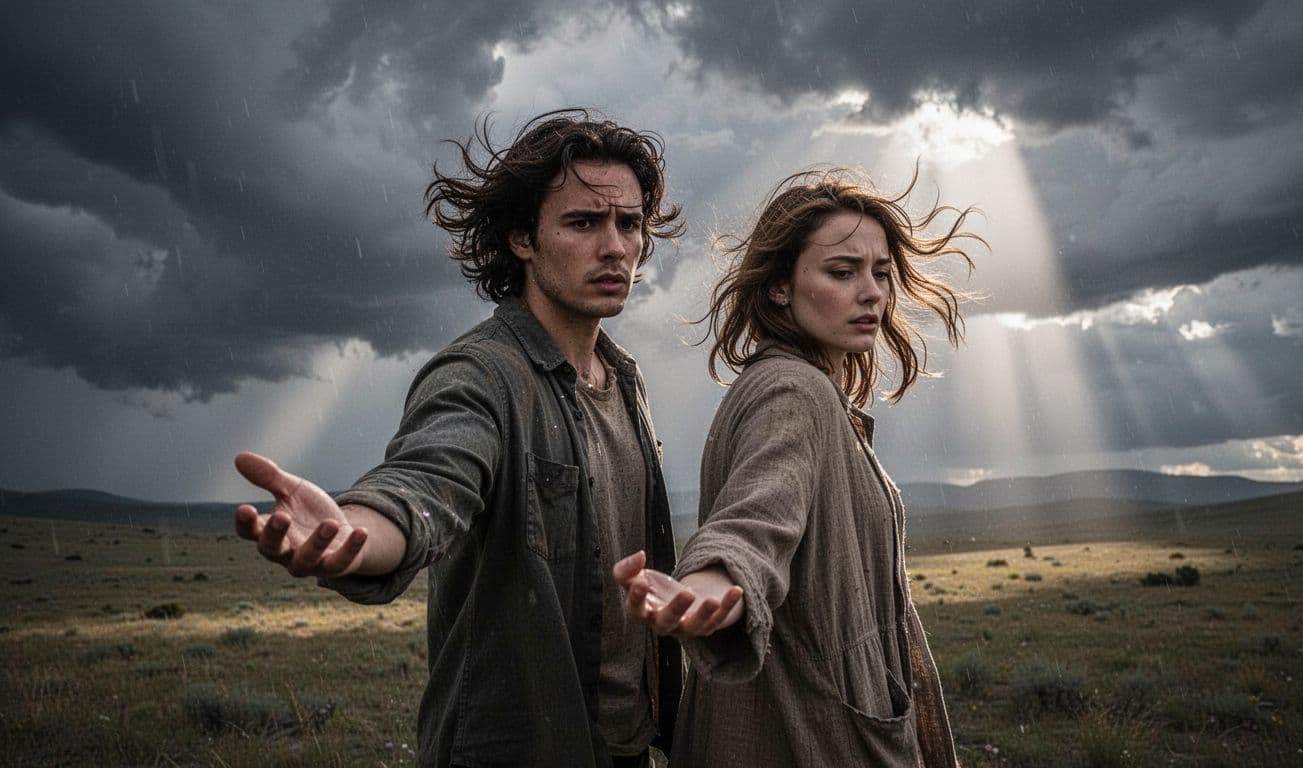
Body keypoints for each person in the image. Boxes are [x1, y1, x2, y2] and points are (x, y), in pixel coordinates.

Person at [233, 109, 685, 768]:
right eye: (584, 223)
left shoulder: (624, 380)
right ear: (522, 240)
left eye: (630, 223)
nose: (615, 247)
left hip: (623, 749)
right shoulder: (481, 374)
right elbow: (427, 481)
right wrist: (356, 534)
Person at [614, 168, 978, 767]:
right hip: (799, 739)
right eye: (842, 272)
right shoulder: (792, 392)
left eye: (881, 273)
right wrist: (713, 586)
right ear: (780, 286)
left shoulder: (811, 392)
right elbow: (757, 518)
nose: (872, 293)